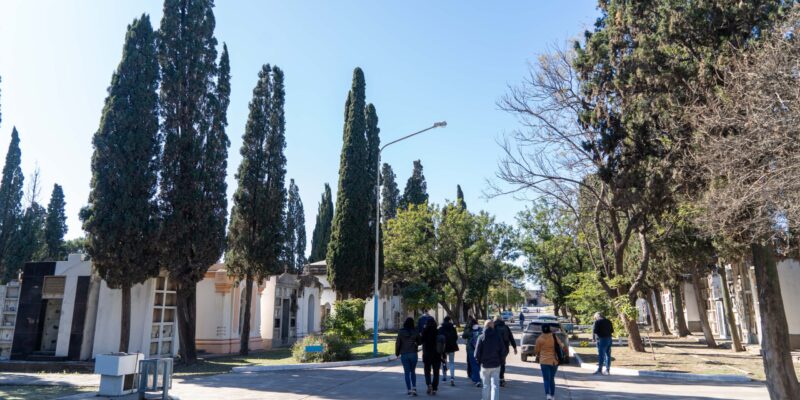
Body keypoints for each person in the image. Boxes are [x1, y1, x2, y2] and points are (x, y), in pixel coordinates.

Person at [474, 319, 506, 400]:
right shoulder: (498, 336)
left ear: (484, 326)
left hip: (485, 365)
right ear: (493, 326)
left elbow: (476, 353)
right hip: (496, 365)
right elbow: (503, 351)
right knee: (495, 385)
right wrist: (501, 361)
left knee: (485, 386)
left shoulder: (481, 337)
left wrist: (480, 362)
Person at [534, 324, 565, 400]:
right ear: (549, 329)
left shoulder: (539, 339)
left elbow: (536, 350)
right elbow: (561, 345)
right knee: (551, 378)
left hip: (544, 361)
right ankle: (553, 395)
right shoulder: (554, 337)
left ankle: (547, 395)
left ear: (542, 329)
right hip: (554, 361)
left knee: (546, 379)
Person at [396, 317, 421, 396]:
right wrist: (416, 343)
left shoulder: (401, 331)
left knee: (407, 372)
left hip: (404, 354)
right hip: (413, 353)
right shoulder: (415, 331)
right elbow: (420, 341)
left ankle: (409, 390)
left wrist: (397, 353)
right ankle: (414, 388)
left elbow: (398, 343)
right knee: (413, 371)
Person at [421, 318, 444, 395]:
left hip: (427, 354)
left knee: (427, 371)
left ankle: (429, 384)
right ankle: (434, 388)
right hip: (436, 355)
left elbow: (420, 341)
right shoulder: (437, 332)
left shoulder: (425, 332)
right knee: (436, 372)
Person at [493, 316, 517, 386]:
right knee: (502, 363)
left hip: (495, 348)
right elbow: (511, 337)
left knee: (495, 363)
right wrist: (514, 347)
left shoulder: (493, 327)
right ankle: (501, 378)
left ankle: (495, 378)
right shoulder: (506, 327)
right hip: (505, 349)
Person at [438, 316, 459, 386]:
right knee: (452, 362)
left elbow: (438, 338)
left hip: (443, 348)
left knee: (444, 362)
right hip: (452, 347)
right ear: (450, 321)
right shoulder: (453, 328)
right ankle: (452, 378)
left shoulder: (440, 329)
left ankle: (444, 377)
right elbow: (456, 337)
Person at [463, 317, 482, 386]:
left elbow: (463, 336)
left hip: (471, 349)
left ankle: (477, 380)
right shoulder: (480, 329)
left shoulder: (469, 330)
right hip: (480, 349)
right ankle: (476, 377)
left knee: (473, 364)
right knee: (478, 364)